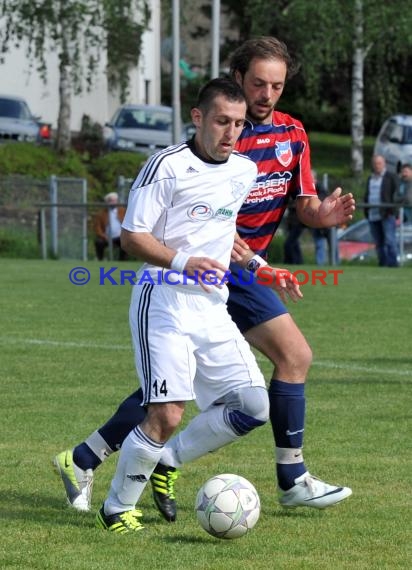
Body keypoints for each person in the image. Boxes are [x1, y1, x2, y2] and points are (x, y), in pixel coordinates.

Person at [54, 37, 354, 520]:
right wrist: (184, 261)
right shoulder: (197, 146)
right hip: (188, 276)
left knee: (276, 367)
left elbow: (286, 213)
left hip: (233, 271)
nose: (267, 94)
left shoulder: (285, 139)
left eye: (276, 85)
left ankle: (120, 460)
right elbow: (146, 231)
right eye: (258, 83)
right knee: (170, 396)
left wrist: (302, 233)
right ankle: (110, 479)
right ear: (234, 84)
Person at [94, 77, 276, 532]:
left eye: (238, 123)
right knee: (167, 412)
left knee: (254, 405)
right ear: (197, 118)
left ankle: (167, 462)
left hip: (212, 306)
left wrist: (257, 265)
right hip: (165, 299)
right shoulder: (166, 166)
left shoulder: (243, 170)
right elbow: (132, 236)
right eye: (221, 121)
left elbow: (224, 229)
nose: (231, 132)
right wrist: (181, 261)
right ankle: (117, 508)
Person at [364, 154, 399, 267]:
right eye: (375, 163)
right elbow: (367, 194)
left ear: (384, 164)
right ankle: (382, 264)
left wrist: (393, 209)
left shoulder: (391, 177)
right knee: (379, 242)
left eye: (379, 163)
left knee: (390, 241)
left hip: (387, 214)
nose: (377, 166)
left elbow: (397, 193)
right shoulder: (371, 178)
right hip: (373, 214)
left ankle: (393, 264)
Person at [93, 192, 127, 261]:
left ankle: (122, 261)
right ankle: (100, 260)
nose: (113, 202)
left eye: (115, 200)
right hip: (106, 237)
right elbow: (97, 228)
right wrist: (103, 236)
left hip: (120, 236)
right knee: (99, 242)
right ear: (107, 202)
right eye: (111, 200)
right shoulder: (101, 213)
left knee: (126, 242)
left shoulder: (123, 211)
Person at [283, 198, 305, 264]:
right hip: (293, 225)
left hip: (297, 224)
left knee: (288, 244)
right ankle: (299, 262)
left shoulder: (298, 199)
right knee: (295, 244)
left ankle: (292, 261)